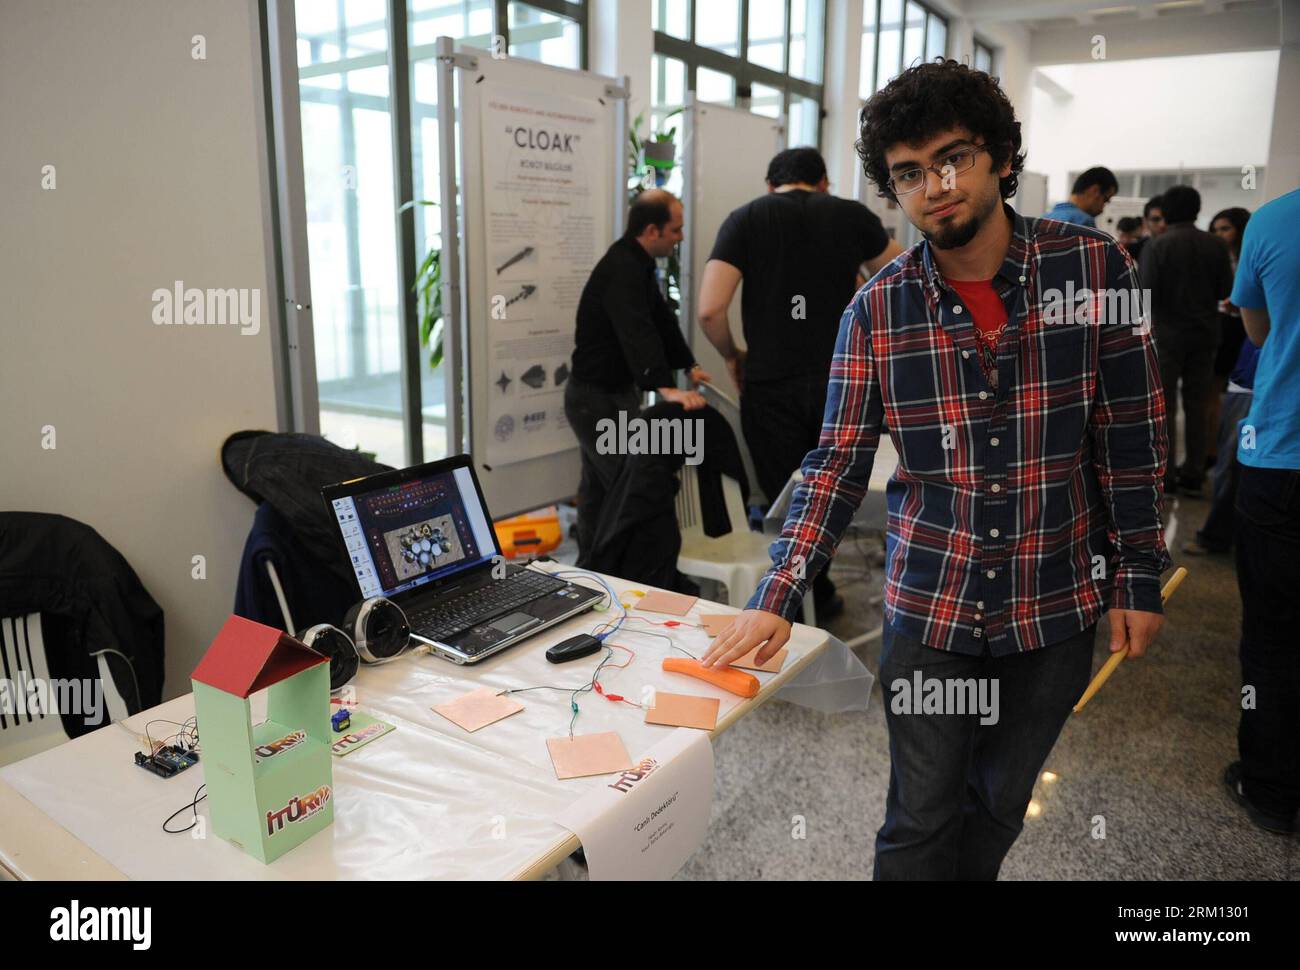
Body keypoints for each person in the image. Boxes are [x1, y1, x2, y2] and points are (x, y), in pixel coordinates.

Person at [703, 59, 1171, 879]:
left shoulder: (1094, 272)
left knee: (996, 804)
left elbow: (1131, 435)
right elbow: (838, 461)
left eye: (952, 158)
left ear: (998, 156)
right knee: (919, 820)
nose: (934, 186)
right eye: (909, 174)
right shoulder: (876, 309)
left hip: (1052, 603)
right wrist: (780, 591)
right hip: (931, 609)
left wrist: (1138, 576)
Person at [696, 147, 904, 619]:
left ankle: (796, 603)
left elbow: (710, 309)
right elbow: (902, 283)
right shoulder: (852, 217)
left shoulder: (745, 219)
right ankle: (821, 592)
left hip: (770, 385)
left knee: (788, 498)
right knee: (838, 489)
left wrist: (733, 355)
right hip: (845, 385)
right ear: (824, 182)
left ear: (771, 185)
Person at [565, 190, 710, 557]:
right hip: (594, 401)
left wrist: (687, 365)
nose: (681, 237)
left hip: (611, 395)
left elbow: (661, 320)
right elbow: (636, 330)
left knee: (601, 491)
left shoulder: (639, 263)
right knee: (628, 490)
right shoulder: (623, 269)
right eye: (675, 230)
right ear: (652, 230)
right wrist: (665, 387)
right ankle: (623, 572)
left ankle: (593, 569)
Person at [1221, 187, 1300, 835]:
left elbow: (1259, 329)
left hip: (1284, 454)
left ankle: (1271, 787)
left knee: (1273, 634)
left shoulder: (1275, 218)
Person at [1140, 185, 1234, 495]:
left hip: (1166, 336)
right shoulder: (1217, 246)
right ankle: (1194, 473)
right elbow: (1225, 291)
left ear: (1165, 212)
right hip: (1206, 335)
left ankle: (1164, 475)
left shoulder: (1158, 246)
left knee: (1164, 406)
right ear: (1197, 210)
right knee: (1197, 404)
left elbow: (1145, 293)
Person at [1203, 207, 1251, 469]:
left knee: (1222, 393)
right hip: (1224, 325)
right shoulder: (1219, 257)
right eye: (1216, 229)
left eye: (1225, 229)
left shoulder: (1246, 258)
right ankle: (1213, 450)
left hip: (1238, 331)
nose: (1219, 235)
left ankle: (1218, 451)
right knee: (1214, 393)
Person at [1045, 166, 1118, 227]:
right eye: (1105, 200)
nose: (1102, 210)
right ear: (1095, 191)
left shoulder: (1045, 218)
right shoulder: (1084, 221)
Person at [1126, 195, 1165, 263]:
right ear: (1145, 222)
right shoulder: (1135, 249)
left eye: (1167, 219)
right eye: (1155, 219)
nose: (1162, 224)